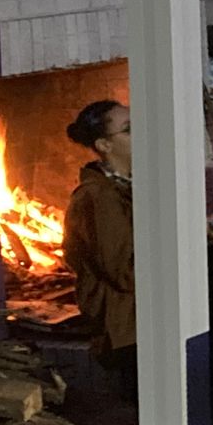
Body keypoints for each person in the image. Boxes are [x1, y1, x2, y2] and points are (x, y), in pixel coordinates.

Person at [62, 100, 137, 392]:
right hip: (125, 323)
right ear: (105, 145)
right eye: (129, 130)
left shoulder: (130, 184)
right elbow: (125, 271)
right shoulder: (98, 198)